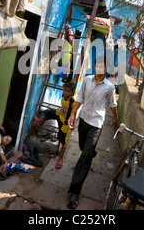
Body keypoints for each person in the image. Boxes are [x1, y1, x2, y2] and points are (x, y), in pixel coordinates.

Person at [66, 56, 118, 209]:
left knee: (84, 157)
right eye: (98, 66)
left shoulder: (109, 87)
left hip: (96, 123)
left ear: (106, 69)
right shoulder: (87, 80)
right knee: (83, 147)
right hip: (83, 120)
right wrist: (73, 113)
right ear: (95, 67)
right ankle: (90, 152)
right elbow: (80, 98)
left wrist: (116, 118)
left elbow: (113, 105)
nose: (100, 69)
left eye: (103, 67)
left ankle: (74, 191)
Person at [34, 81, 76, 169]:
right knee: (48, 112)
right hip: (60, 114)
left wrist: (71, 124)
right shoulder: (63, 96)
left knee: (63, 139)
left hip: (65, 122)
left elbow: (73, 113)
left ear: (72, 92)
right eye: (65, 90)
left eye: (68, 91)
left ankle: (60, 158)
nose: (66, 92)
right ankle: (41, 123)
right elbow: (62, 106)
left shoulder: (72, 101)